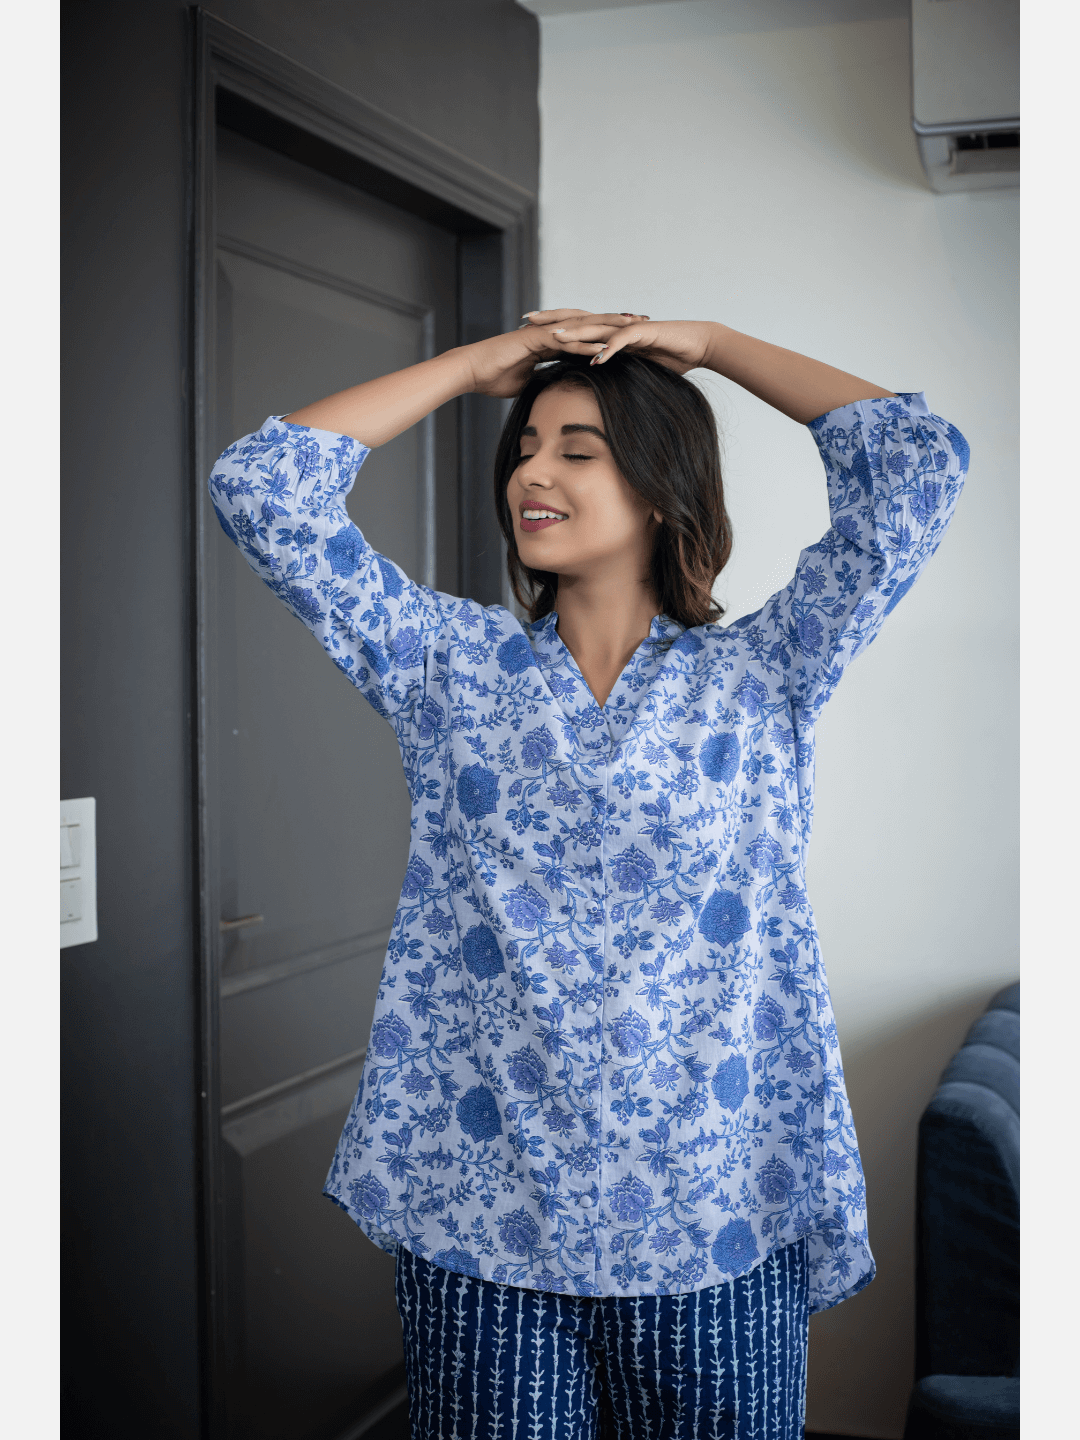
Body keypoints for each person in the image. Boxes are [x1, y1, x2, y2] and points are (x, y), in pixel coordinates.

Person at [209, 311, 968, 1439]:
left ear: (662, 489)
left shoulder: (766, 674)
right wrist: (471, 366)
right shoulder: (449, 669)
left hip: (715, 1219)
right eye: (525, 447)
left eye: (578, 449)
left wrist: (709, 345)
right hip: (485, 1221)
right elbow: (260, 488)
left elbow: (919, 464)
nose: (532, 473)